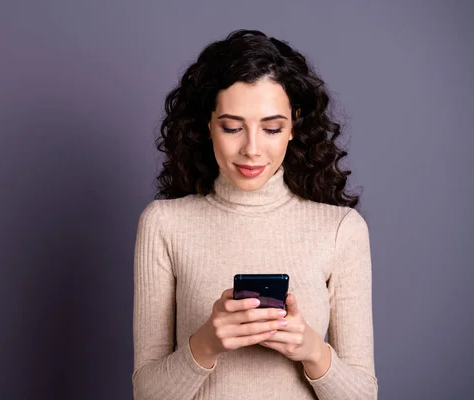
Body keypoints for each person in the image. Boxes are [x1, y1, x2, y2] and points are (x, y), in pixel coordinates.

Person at [132, 29, 377, 399]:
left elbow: (364, 395)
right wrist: (206, 345)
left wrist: (312, 351)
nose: (252, 149)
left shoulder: (341, 229)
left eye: (272, 127)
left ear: (294, 125)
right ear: (207, 125)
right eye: (232, 127)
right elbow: (146, 394)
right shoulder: (164, 224)